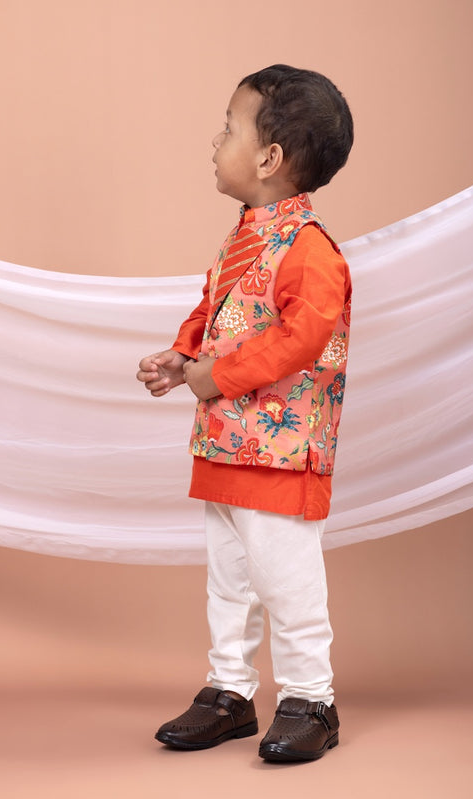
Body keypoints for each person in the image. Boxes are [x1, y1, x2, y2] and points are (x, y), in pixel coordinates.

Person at [136, 64, 353, 763]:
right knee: (228, 582)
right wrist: (182, 355)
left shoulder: (309, 249)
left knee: (287, 582)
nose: (215, 141)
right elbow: (215, 308)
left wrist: (214, 376)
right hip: (226, 448)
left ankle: (311, 698)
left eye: (228, 129)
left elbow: (301, 337)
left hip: (280, 456)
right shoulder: (244, 236)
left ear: (268, 158)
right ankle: (230, 690)